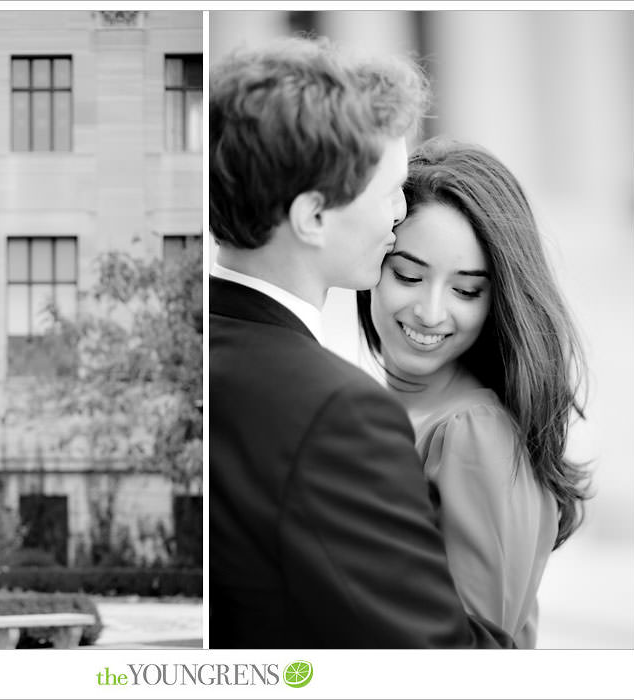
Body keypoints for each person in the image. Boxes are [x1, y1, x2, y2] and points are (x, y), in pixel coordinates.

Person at [209, 36, 514, 648]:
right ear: (314, 216)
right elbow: (435, 656)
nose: (402, 214)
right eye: (390, 191)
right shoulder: (335, 413)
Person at [356, 137, 590, 647]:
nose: (431, 312)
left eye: (466, 290)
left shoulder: (472, 432)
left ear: (497, 300)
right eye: (408, 275)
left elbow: (475, 649)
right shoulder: (368, 409)